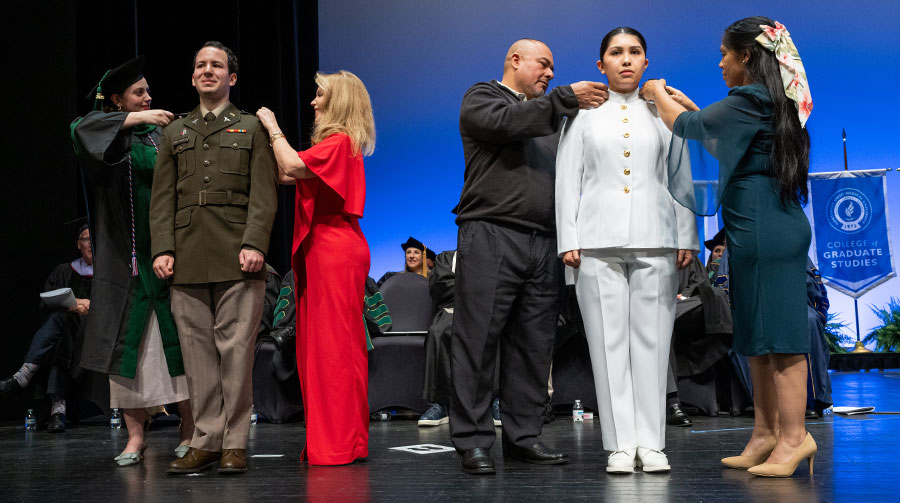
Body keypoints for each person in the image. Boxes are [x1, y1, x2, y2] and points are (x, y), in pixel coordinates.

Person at [642, 16, 815, 477]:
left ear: (745, 56)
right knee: (757, 339)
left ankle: (796, 438)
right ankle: (766, 433)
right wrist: (688, 107)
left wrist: (656, 90)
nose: (720, 62)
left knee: (782, 338)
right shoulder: (764, 101)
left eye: (724, 53)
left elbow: (692, 126)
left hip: (767, 229)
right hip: (756, 227)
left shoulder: (753, 96)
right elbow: (723, 143)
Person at [450, 38, 609, 475]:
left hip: (544, 242)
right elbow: (508, 123)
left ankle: (523, 436)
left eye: (554, 69)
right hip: (492, 234)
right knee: (478, 341)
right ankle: (473, 441)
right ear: (515, 61)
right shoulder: (483, 97)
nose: (551, 74)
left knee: (533, 347)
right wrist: (562, 101)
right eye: (544, 64)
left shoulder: (550, 120)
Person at [556, 27, 698, 474]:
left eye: (635, 52)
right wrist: (568, 237)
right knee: (606, 342)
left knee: (653, 343)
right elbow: (567, 179)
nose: (626, 60)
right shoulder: (583, 116)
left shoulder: (663, 113)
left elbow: (681, 177)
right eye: (616, 53)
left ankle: (652, 443)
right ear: (601, 65)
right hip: (595, 241)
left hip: (656, 236)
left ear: (646, 63)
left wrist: (686, 235)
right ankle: (619, 445)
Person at [150, 42, 277, 474]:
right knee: (197, 355)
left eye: (216, 65)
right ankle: (205, 440)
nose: (208, 71)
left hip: (237, 252)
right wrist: (162, 248)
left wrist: (256, 242)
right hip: (186, 255)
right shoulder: (175, 133)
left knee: (236, 353)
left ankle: (235, 444)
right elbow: (162, 198)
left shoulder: (250, 128)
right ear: (192, 77)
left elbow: (264, 192)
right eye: (201, 65)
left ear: (231, 78)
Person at [71, 57, 194, 466]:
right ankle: (135, 437)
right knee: (129, 351)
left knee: (179, 345)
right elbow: (81, 129)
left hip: (169, 257)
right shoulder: (109, 136)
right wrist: (131, 120)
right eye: (139, 93)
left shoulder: (159, 137)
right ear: (119, 101)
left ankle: (188, 428)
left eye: (147, 91)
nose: (148, 97)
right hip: (125, 262)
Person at [255, 69, 375, 465]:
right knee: (329, 350)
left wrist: (271, 125)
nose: (313, 102)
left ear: (337, 101)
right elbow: (285, 172)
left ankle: (338, 444)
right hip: (327, 251)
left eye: (319, 94)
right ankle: (346, 440)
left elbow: (289, 166)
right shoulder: (338, 146)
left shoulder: (340, 143)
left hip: (333, 252)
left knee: (332, 352)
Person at [0, 225, 94, 433]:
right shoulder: (64, 270)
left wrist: (89, 306)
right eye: (87, 239)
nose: (91, 244)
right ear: (79, 245)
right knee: (61, 326)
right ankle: (58, 410)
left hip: (92, 332)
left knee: (60, 326)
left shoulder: (107, 274)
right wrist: (73, 303)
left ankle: (26, 373)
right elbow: (46, 302)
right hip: (66, 332)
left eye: (94, 239)